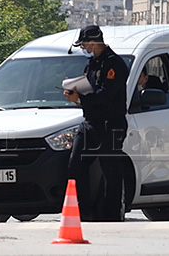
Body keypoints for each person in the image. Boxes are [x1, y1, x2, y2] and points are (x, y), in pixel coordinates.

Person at [64, 25, 129, 221]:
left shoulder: (114, 64)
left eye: (84, 44)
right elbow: (89, 86)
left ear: (93, 42)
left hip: (110, 124)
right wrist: (73, 88)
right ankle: (83, 212)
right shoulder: (92, 63)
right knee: (76, 167)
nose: (83, 48)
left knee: (111, 170)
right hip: (90, 122)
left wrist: (80, 99)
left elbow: (106, 94)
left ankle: (111, 216)